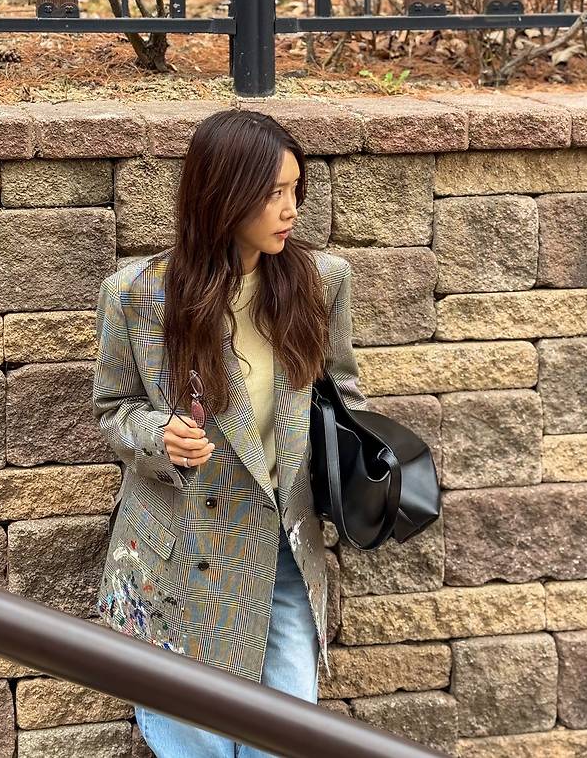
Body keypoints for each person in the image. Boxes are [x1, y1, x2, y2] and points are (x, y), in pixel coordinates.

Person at [92, 109, 368, 757]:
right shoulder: (136, 295)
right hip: (179, 552)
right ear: (222, 194)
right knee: (197, 745)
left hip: (282, 550)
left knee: (289, 735)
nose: (290, 209)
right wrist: (160, 436)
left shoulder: (319, 282)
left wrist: (359, 467)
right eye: (272, 193)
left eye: (295, 189)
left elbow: (343, 397)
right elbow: (113, 410)